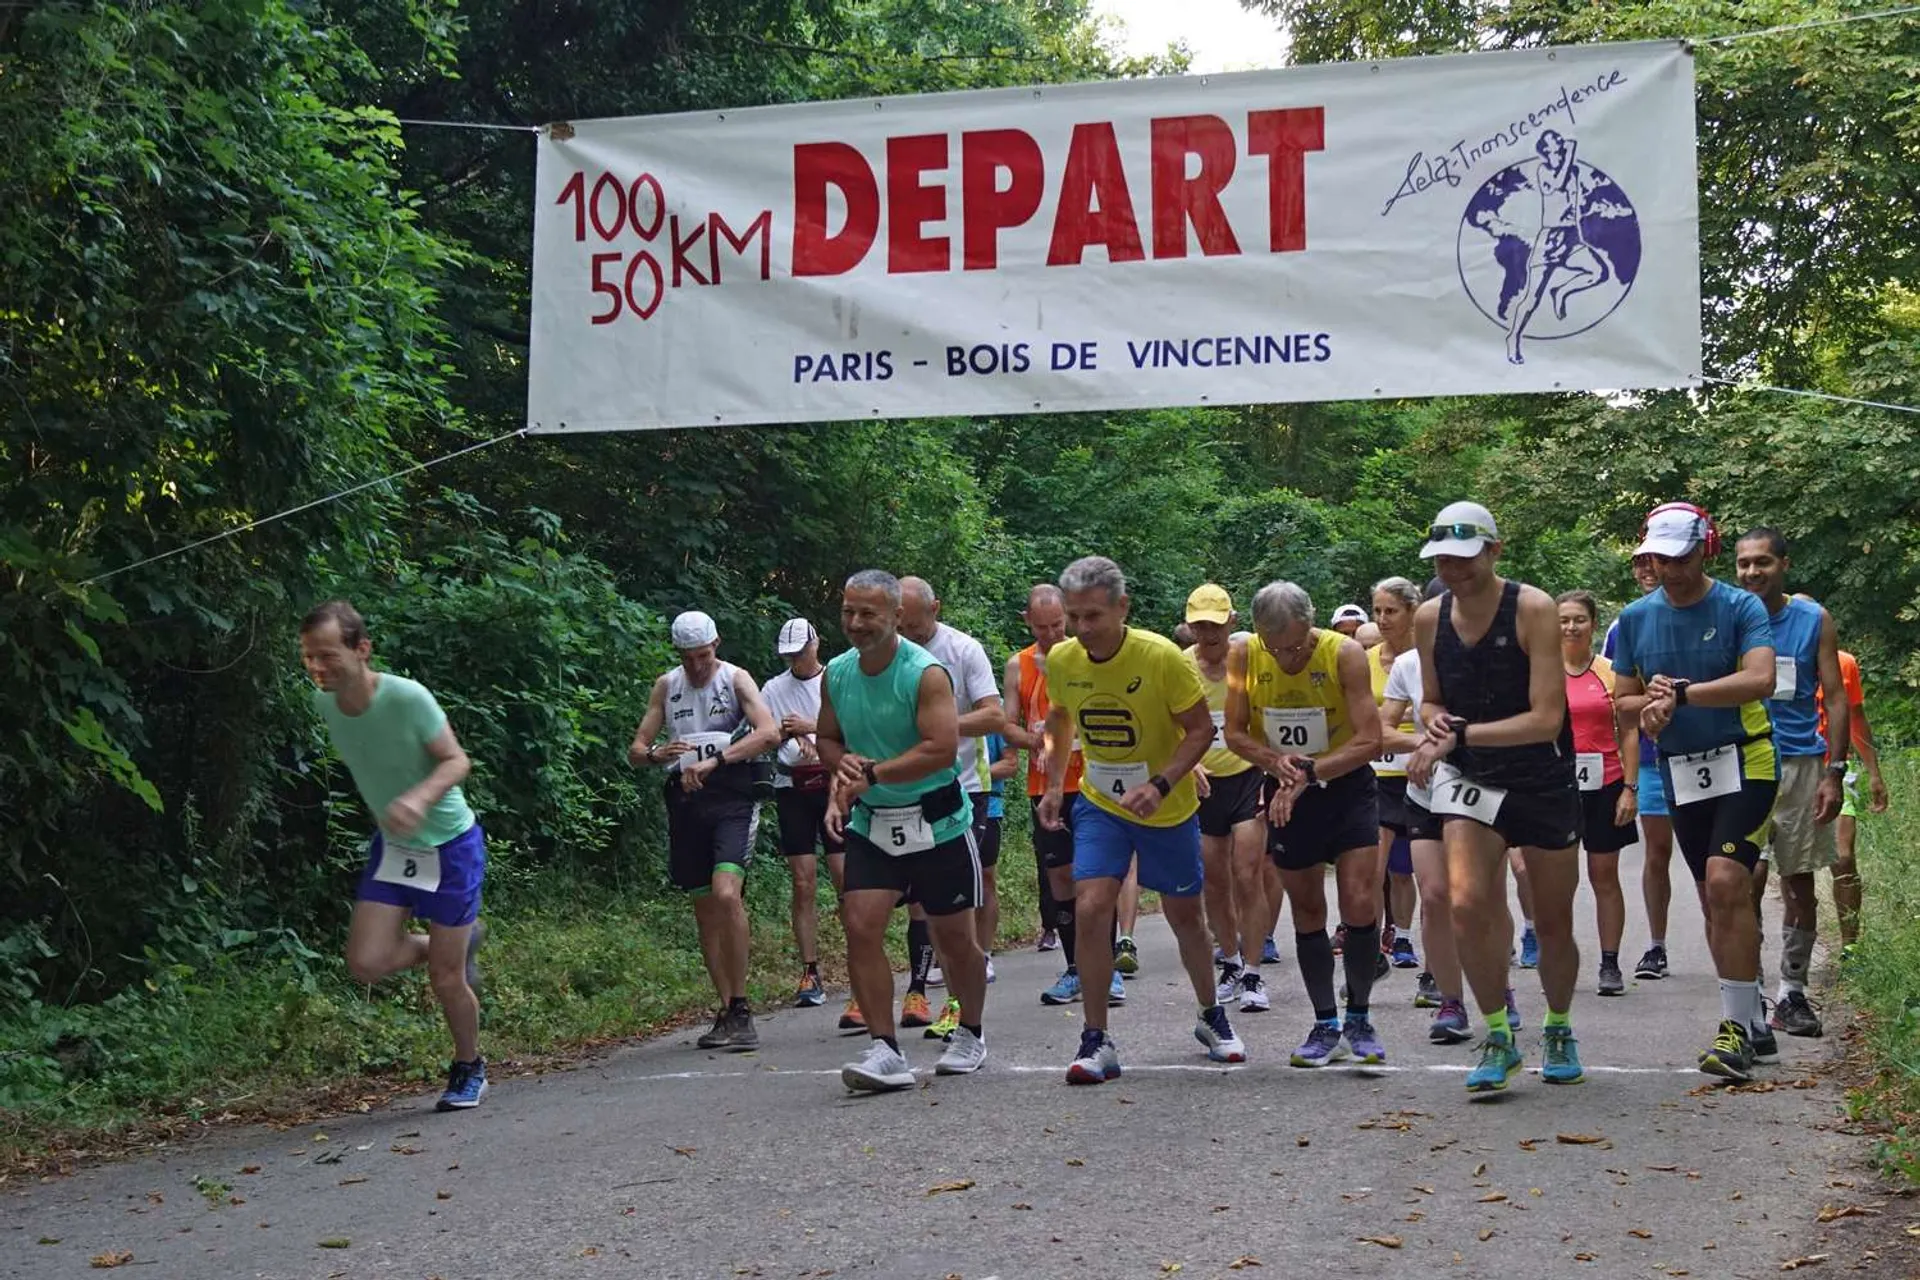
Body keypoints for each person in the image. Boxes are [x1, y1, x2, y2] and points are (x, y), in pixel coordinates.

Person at [1039, 556, 1245, 1082]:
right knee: (1091, 906)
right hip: (1101, 803)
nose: (1083, 630)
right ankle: (1095, 1038)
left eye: (1093, 617)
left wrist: (1161, 783)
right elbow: (1061, 718)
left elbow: (1200, 731)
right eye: (1075, 617)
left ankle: (1210, 1014)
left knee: (1184, 917)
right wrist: (1055, 787)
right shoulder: (1063, 660)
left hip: (1166, 807)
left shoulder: (1160, 658)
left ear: (1121, 607)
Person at [1407, 502, 1585, 1093]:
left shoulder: (1533, 608)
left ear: (1493, 551)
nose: (1452, 570)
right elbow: (1431, 697)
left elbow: (1544, 718)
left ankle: (1558, 1024)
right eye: (1442, 561)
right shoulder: (1429, 617)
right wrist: (1434, 727)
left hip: (1539, 775)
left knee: (1553, 916)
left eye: (1464, 558)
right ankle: (1498, 1033)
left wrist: (1458, 734)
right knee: (1463, 904)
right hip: (1471, 777)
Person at [1609, 503, 1778, 1081]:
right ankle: (1750, 1009)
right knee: (1714, 895)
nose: (1670, 568)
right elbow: (1623, 703)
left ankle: (1734, 1032)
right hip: (1682, 769)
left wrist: (1682, 696)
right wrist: (1651, 711)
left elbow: (1762, 679)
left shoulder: (1739, 605)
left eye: (1680, 556)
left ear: (1704, 548)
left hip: (1745, 758)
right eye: (1659, 556)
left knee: (1729, 880)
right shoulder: (1635, 617)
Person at [302, 600, 490, 1111]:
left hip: (451, 845)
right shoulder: (324, 703)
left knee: (446, 979)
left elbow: (457, 762)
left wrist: (417, 798)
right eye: (308, 658)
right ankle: (453, 942)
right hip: (396, 845)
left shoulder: (409, 698)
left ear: (362, 650)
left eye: (326, 656)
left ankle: (469, 1066)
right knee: (365, 962)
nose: (316, 668)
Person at [817, 570, 989, 1090]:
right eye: (849, 611)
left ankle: (971, 1033)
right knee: (860, 924)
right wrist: (843, 767)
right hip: (874, 820)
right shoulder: (838, 673)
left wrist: (875, 772)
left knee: (956, 939)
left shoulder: (926, 673)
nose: (856, 623)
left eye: (868, 613)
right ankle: (885, 1048)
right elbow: (828, 736)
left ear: (897, 616)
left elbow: (940, 747)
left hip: (936, 818)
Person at [1226, 581, 1388, 1067]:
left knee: (1359, 900)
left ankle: (1359, 1014)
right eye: (1275, 647)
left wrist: (1312, 772)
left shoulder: (1344, 654)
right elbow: (1234, 733)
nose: (1286, 656)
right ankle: (1325, 1022)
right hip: (1285, 791)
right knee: (1308, 909)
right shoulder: (1245, 656)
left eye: (1295, 646)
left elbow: (1370, 738)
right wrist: (1278, 765)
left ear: (1310, 625)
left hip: (1344, 784)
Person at [630, 610, 781, 1052]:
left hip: (732, 795)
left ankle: (742, 1006)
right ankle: (728, 1008)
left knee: (726, 894)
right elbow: (636, 749)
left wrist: (718, 759)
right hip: (686, 800)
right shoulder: (667, 685)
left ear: (715, 645)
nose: (697, 666)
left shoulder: (736, 679)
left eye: (703, 656)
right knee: (704, 908)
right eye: (688, 658)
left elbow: (769, 732)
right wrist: (657, 754)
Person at [1735, 530, 1848, 1038]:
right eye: (1743, 564)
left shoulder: (1812, 619)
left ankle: (1792, 992)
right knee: (1744, 879)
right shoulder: (1730, 614)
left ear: (1783, 564)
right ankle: (1749, 987)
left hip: (1802, 762)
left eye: (1762, 562)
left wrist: (1835, 771)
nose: (1752, 572)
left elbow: (1837, 696)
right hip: (1744, 758)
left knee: (1799, 880)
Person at [898, 577, 1007, 1025]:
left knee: (959, 896)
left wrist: (943, 727)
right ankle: (919, 990)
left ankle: (963, 994)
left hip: (965, 785)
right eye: (896, 618)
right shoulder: (884, 656)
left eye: (910, 617)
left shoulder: (964, 650)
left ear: (935, 608)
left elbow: (994, 713)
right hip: (906, 789)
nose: (902, 626)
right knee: (918, 898)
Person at [1380, 582, 1473, 1044]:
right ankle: (1449, 998)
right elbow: (1380, 730)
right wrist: (1422, 744)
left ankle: (1502, 989)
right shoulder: (1408, 664)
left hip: (1480, 793)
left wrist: (1449, 743)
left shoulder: (1490, 656)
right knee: (1434, 895)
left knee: (1476, 898)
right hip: (1425, 792)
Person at [1183, 584, 1272, 1011]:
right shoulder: (1181, 665)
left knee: (1248, 872)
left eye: (1215, 624)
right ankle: (1232, 963)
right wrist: (1189, 762)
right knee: (1214, 879)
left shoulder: (1252, 657)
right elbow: (1167, 721)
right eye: (1200, 624)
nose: (1208, 633)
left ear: (1231, 621)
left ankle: (1254, 973)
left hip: (1248, 775)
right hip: (1203, 783)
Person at [1003, 585, 1091, 1001]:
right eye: (1042, 627)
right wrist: (1034, 740)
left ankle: (1103, 967)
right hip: (1043, 786)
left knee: (1094, 876)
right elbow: (1007, 725)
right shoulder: (1017, 666)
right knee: (1060, 877)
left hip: (1089, 782)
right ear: (1028, 621)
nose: (1052, 634)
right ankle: (1074, 968)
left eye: (1058, 624)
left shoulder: (1086, 655)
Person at [1557, 591, 1640, 997]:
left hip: (1606, 783)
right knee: (1558, 879)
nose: (1571, 627)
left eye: (1579, 620)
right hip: (1556, 787)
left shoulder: (1611, 672)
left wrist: (1629, 787)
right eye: (1564, 620)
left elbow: (1629, 731)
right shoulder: (1541, 671)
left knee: (1603, 875)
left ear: (1593, 623)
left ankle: (1610, 963)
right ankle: (1560, 960)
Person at [760, 618, 841, 1009]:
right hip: (792, 786)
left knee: (846, 877)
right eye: (790, 654)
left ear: (816, 644)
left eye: (802, 651)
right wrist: (788, 734)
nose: (797, 659)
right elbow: (763, 732)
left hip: (833, 785)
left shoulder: (838, 679)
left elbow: (850, 729)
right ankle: (810, 969)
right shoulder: (774, 688)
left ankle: (860, 958)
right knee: (803, 881)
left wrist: (813, 730)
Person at [1605, 554, 1678, 981]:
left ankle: (1725, 943)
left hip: (1702, 751)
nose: (1647, 570)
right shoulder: (1625, 624)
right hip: (1651, 760)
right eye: (1640, 564)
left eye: (1655, 562)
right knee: (1657, 851)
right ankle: (1657, 945)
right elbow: (1619, 703)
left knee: (1710, 858)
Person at [929, 731, 1018, 1041]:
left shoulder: (987, 713)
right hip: (943, 805)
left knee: (984, 879)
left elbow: (1010, 764)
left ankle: (985, 953)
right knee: (945, 890)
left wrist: (975, 773)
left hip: (986, 804)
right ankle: (954, 968)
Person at [1368, 577, 1424, 975]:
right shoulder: (1364, 658)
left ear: (1411, 613)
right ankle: (1368, 944)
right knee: (1372, 866)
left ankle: (1402, 936)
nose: (1383, 619)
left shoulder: (1427, 659)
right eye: (1378, 612)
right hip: (1375, 772)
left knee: (1405, 869)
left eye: (1392, 611)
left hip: (1420, 772)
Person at [1828, 650, 1890, 952]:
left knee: (1843, 858)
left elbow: (1856, 717)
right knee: (1793, 870)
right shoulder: (1771, 654)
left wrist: (1874, 773)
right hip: (1789, 766)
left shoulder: (1844, 662)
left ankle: (1850, 948)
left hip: (1838, 767)